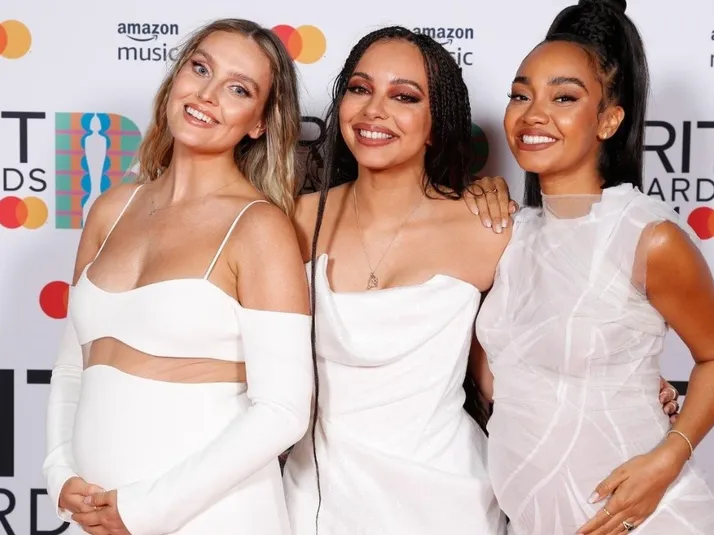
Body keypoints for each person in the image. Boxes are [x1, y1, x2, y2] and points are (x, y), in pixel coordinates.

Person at [42, 19, 313, 535]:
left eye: (238, 89)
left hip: (212, 518)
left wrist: (146, 509)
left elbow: (283, 410)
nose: (207, 95)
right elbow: (73, 367)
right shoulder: (111, 210)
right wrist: (59, 474)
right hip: (96, 514)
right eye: (201, 69)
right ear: (175, 79)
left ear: (260, 123)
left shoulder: (258, 227)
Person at [474, 1, 714, 533]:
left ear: (608, 119)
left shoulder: (647, 237)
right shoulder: (509, 234)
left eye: (564, 97)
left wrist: (668, 457)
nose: (533, 114)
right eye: (520, 95)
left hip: (645, 520)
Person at [282, 26, 509, 535]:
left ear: (435, 124)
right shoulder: (292, 221)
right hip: (315, 503)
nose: (374, 110)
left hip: (449, 504)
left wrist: (621, 384)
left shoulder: (489, 229)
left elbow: (510, 372)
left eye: (403, 96)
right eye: (360, 89)